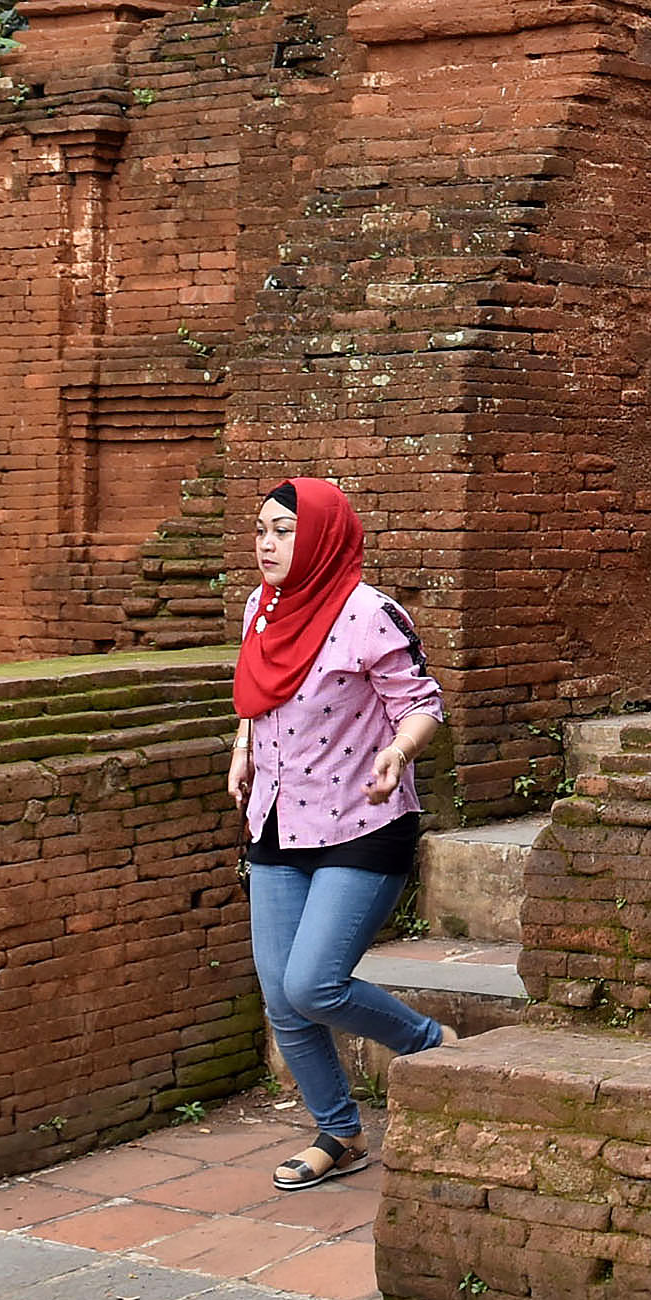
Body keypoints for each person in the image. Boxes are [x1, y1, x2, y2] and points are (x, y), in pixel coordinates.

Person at [226, 477, 449, 1190]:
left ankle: (429, 1045)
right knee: (279, 995)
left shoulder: (368, 613)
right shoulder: (260, 608)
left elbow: (422, 702)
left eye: (284, 529)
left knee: (313, 983)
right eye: (260, 528)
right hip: (278, 819)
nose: (266, 543)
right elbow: (256, 690)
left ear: (320, 534)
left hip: (363, 820)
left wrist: (400, 750)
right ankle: (340, 1130)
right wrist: (242, 747)